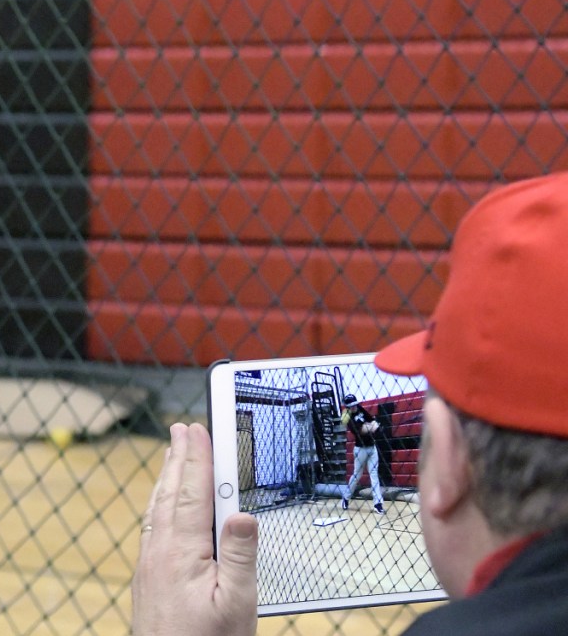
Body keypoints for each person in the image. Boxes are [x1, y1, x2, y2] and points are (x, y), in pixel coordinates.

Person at [132, 172, 568, 635]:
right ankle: (352, 501)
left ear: (450, 455)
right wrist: (361, 426)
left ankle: (366, 500)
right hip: (363, 448)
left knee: (369, 478)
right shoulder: (352, 414)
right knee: (359, 477)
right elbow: (355, 426)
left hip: (368, 449)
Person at [339, 393, 385, 514]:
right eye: (352, 405)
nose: (354, 406)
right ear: (347, 407)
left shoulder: (359, 407)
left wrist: (373, 424)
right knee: (356, 475)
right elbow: (362, 430)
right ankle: (346, 497)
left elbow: (371, 419)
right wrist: (372, 426)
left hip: (372, 447)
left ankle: (378, 503)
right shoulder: (348, 418)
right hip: (361, 450)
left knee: (374, 475)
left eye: (355, 404)